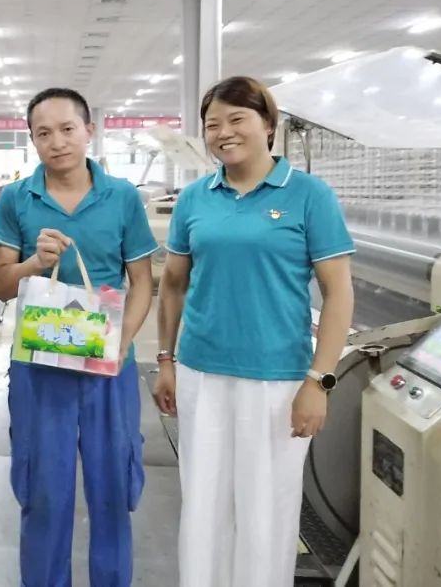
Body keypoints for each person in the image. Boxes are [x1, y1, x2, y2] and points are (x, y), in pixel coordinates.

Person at [152, 76, 354, 587]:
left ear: (268, 125)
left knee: (266, 512)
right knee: (204, 506)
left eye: (236, 119)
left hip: (277, 379)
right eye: (212, 124)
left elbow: (338, 294)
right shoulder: (195, 198)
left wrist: (319, 381)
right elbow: (173, 284)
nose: (223, 132)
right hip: (201, 373)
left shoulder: (308, 195)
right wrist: (166, 360)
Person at [0, 88, 157, 587]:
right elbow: (2, 284)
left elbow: (142, 281)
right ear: (32, 140)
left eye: (67, 129)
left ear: (89, 130)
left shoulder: (122, 197)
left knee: (113, 489)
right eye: (44, 133)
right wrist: (33, 262)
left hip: (107, 364)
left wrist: (124, 341)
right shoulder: (17, 199)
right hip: (40, 366)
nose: (57, 142)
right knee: (44, 491)